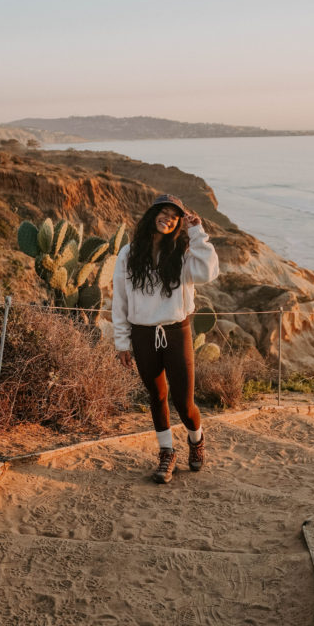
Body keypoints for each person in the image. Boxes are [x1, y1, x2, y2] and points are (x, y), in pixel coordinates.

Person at [112, 194, 220, 484]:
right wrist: (122, 343)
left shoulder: (183, 252)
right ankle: (166, 453)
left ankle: (196, 440)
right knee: (157, 396)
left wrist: (197, 232)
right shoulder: (128, 254)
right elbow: (119, 301)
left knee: (184, 404)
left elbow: (209, 272)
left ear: (178, 223)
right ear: (153, 215)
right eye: (164, 212)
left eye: (175, 216)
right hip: (143, 334)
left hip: (176, 331)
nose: (169, 218)